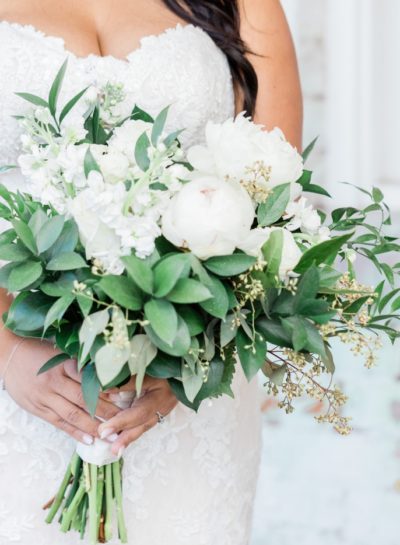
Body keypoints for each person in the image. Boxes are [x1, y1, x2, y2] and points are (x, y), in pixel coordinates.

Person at [0, 1, 302, 543]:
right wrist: (8, 348)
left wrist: (190, 353)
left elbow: (279, 204)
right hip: (20, 380)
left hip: (187, 390)